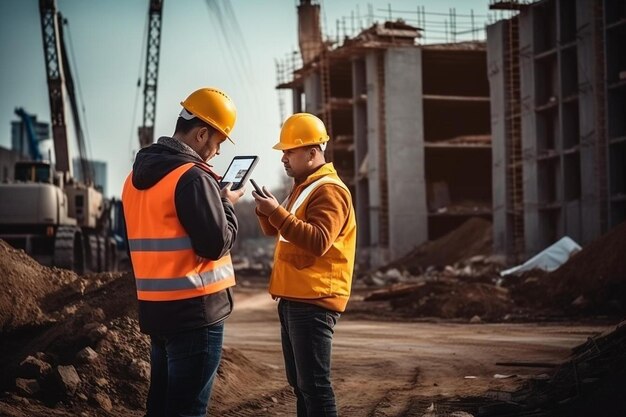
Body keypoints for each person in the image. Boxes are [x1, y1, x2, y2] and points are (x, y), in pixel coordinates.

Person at [121, 87, 244, 417]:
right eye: (218, 143)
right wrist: (226, 204)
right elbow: (216, 243)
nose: (217, 153)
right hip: (196, 314)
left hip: (156, 313)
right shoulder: (191, 178)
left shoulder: (133, 179)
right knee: (187, 410)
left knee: (160, 408)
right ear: (202, 133)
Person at [252, 113, 357, 417]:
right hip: (295, 298)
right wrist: (266, 210)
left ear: (312, 153)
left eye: (290, 151)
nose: (283, 158)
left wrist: (277, 213)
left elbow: (319, 240)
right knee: (301, 385)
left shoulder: (330, 190)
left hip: (314, 301)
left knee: (314, 386)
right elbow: (275, 229)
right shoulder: (304, 186)